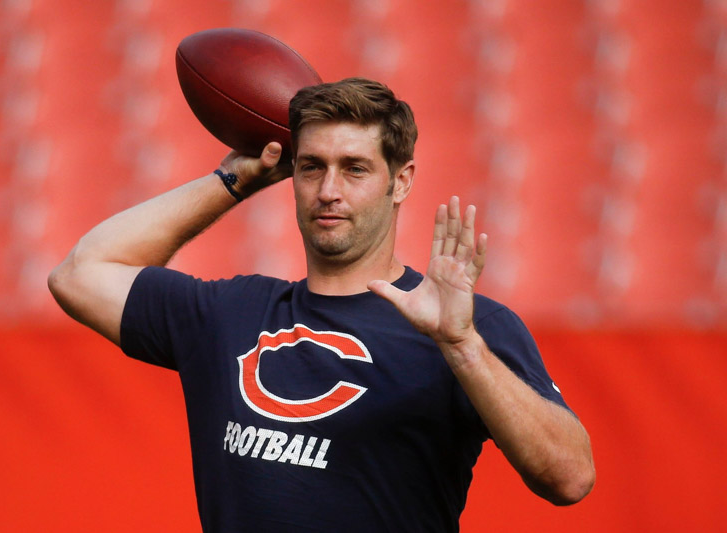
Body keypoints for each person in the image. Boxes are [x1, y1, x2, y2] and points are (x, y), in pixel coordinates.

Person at [49, 77, 595, 532]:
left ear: (400, 181)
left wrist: (461, 347)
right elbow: (80, 273)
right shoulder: (231, 313)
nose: (328, 190)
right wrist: (235, 178)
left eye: (355, 168)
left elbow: (569, 478)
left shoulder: (466, 325)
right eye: (311, 167)